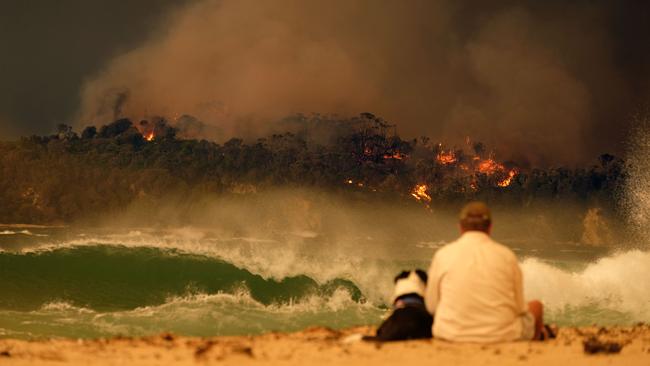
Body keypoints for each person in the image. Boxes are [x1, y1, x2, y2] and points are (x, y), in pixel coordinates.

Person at [424, 202, 545, 342]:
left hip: (450, 334)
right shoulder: (506, 255)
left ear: (460, 227)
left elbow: (432, 306)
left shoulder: (443, 255)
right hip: (502, 336)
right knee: (536, 306)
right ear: (490, 227)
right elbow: (519, 308)